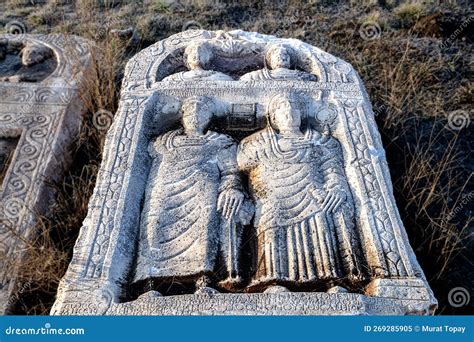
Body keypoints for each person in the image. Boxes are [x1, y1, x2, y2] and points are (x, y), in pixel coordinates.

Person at [237, 94, 363, 291]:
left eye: (293, 109)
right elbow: (243, 162)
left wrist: (336, 187)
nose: (289, 113)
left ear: (302, 114)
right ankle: (274, 279)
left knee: (322, 214)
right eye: (282, 109)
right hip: (273, 196)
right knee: (270, 215)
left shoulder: (320, 141)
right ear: (273, 117)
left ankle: (329, 278)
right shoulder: (259, 142)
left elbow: (332, 169)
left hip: (312, 194)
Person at [135, 96, 251, 293]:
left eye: (202, 112)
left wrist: (232, 187)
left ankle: (202, 279)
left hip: (201, 193)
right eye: (190, 112)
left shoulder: (220, 142)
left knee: (206, 224)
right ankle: (150, 281)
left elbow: (231, 171)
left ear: (209, 117)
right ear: (182, 116)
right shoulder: (162, 143)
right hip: (164, 192)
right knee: (153, 227)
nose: (195, 116)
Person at [240, 44, 317, 81]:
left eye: (285, 55)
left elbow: (313, 79)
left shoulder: (304, 76)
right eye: (277, 55)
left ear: (290, 61)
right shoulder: (259, 76)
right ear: (271, 61)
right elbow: (243, 80)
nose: (282, 57)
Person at [162, 41, 233, 82]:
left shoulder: (221, 78)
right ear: (186, 58)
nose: (196, 53)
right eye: (192, 51)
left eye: (202, 51)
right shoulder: (173, 79)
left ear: (209, 57)